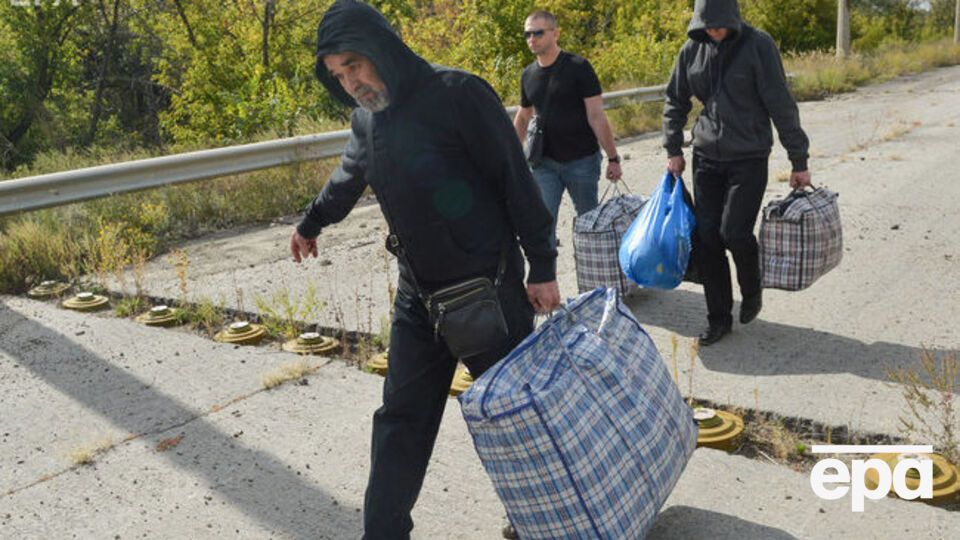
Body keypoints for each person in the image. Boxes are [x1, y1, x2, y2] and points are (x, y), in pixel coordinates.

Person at [289, 1, 560, 538]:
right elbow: (348, 178)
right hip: (420, 300)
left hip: (489, 291)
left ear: (382, 48)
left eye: (355, 65)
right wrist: (311, 223)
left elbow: (516, 182)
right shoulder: (366, 120)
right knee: (400, 423)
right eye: (339, 75)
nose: (352, 83)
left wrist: (543, 266)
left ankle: (546, 518)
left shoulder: (459, 95)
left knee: (515, 421)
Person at [663, 0, 811, 345]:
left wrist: (798, 160)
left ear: (732, 17)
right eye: (706, 24)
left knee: (734, 232)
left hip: (749, 156)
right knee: (707, 237)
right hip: (706, 157)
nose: (713, 30)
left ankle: (752, 286)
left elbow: (780, 102)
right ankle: (718, 319)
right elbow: (675, 100)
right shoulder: (691, 49)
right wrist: (673, 148)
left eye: (718, 24)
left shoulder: (759, 45)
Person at [513, 10, 622, 247]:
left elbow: (596, 116)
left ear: (555, 33)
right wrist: (510, 155)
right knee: (543, 228)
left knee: (590, 226)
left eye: (538, 33)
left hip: (581, 162)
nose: (532, 38)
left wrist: (613, 158)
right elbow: (523, 116)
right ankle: (546, 282)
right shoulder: (528, 75)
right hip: (543, 164)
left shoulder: (579, 67)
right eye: (527, 34)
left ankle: (594, 281)